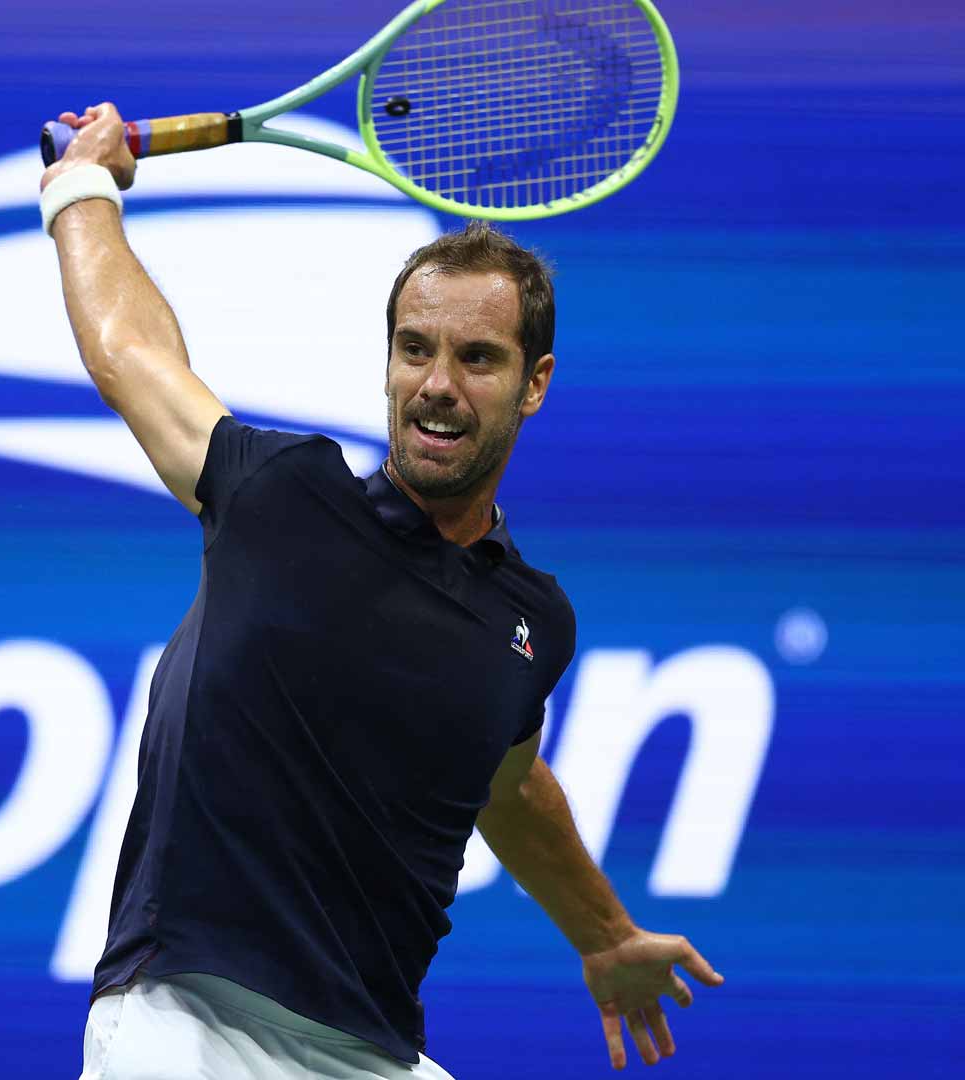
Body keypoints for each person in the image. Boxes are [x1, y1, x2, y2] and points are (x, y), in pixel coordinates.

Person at [41, 102, 725, 1079]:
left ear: (535, 385)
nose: (438, 383)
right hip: (186, 1022)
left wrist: (605, 935)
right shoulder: (281, 496)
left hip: (370, 1051)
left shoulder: (530, 620)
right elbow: (131, 355)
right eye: (416, 349)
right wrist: (82, 187)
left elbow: (509, 784)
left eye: (477, 358)